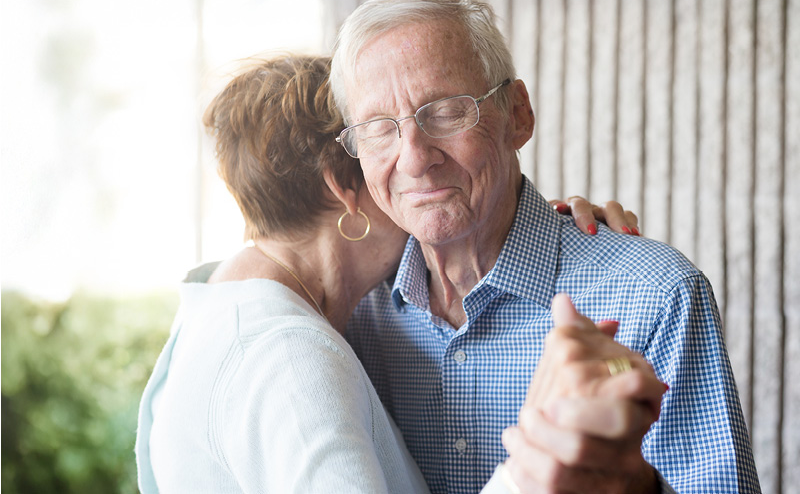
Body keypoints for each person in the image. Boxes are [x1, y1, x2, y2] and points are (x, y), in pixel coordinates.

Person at [134, 54, 635, 493]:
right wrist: (533, 472)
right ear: (344, 187)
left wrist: (536, 225)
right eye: (382, 140)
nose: (415, 170)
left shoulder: (221, 304)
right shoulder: (289, 358)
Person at [330, 0, 760, 493]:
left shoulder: (655, 294)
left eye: (446, 111)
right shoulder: (354, 312)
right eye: (380, 128)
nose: (415, 157)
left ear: (517, 114)